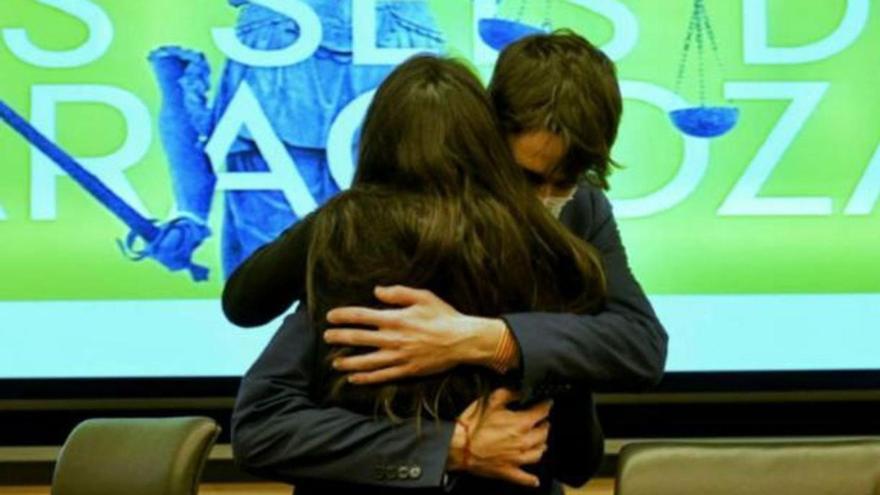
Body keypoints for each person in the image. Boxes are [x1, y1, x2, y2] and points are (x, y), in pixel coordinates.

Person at [231, 31, 667, 492]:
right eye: (527, 177)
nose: (543, 202)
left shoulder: (578, 216)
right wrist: (449, 447)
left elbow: (639, 345)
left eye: (567, 182)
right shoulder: (367, 236)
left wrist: (484, 340)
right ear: (485, 137)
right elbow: (262, 413)